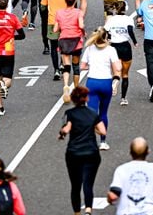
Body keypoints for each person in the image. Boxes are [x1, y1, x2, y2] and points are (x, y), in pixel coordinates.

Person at [58, 86, 106, 215]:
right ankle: (89, 209)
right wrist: (92, 127)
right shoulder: (92, 114)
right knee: (88, 183)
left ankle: (77, 212)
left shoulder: (70, 114)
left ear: (73, 99)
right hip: (91, 152)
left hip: (74, 153)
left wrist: (62, 134)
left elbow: (66, 129)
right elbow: (102, 131)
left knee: (75, 185)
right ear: (86, 98)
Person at [79, 27, 122, 151]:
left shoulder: (89, 49)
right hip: (106, 82)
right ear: (106, 37)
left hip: (92, 81)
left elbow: (82, 66)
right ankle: (103, 141)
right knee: (103, 113)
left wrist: (91, 66)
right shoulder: (111, 50)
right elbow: (118, 68)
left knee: (92, 113)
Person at [107, 137, 153, 214]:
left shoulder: (122, 169)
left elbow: (113, 196)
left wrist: (109, 198)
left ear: (130, 152)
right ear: (148, 152)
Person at [41, 0, 74, 81]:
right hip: (66, 21)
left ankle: (56, 70)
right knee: (65, 44)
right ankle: (62, 63)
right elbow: (73, 3)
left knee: (54, 46)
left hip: (52, 21)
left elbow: (43, 6)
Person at [53, 0, 85, 104]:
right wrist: (83, 31)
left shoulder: (59, 12)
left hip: (64, 40)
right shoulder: (78, 12)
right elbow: (81, 25)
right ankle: (76, 89)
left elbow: (55, 29)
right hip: (76, 40)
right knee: (76, 66)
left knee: (66, 65)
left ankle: (66, 85)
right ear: (75, 1)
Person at [104, 1, 137, 106]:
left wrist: (108, 39)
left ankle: (115, 82)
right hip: (125, 46)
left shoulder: (111, 20)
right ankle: (123, 98)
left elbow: (106, 32)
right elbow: (130, 30)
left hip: (114, 47)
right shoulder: (128, 19)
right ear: (126, 9)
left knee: (116, 72)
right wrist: (135, 42)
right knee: (125, 74)